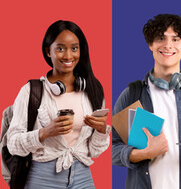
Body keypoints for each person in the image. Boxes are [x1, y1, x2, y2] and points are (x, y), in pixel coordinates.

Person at [111, 14, 181, 188]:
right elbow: (112, 149)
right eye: (160, 38)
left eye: (175, 39)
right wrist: (143, 153)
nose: (168, 45)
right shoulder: (132, 95)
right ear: (150, 44)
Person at [6, 20, 109, 188]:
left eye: (74, 48)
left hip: (82, 174)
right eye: (60, 48)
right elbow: (13, 144)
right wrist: (45, 133)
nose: (68, 56)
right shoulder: (31, 91)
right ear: (48, 51)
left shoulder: (93, 89)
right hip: (43, 177)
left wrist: (102, 130)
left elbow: (95, 151)